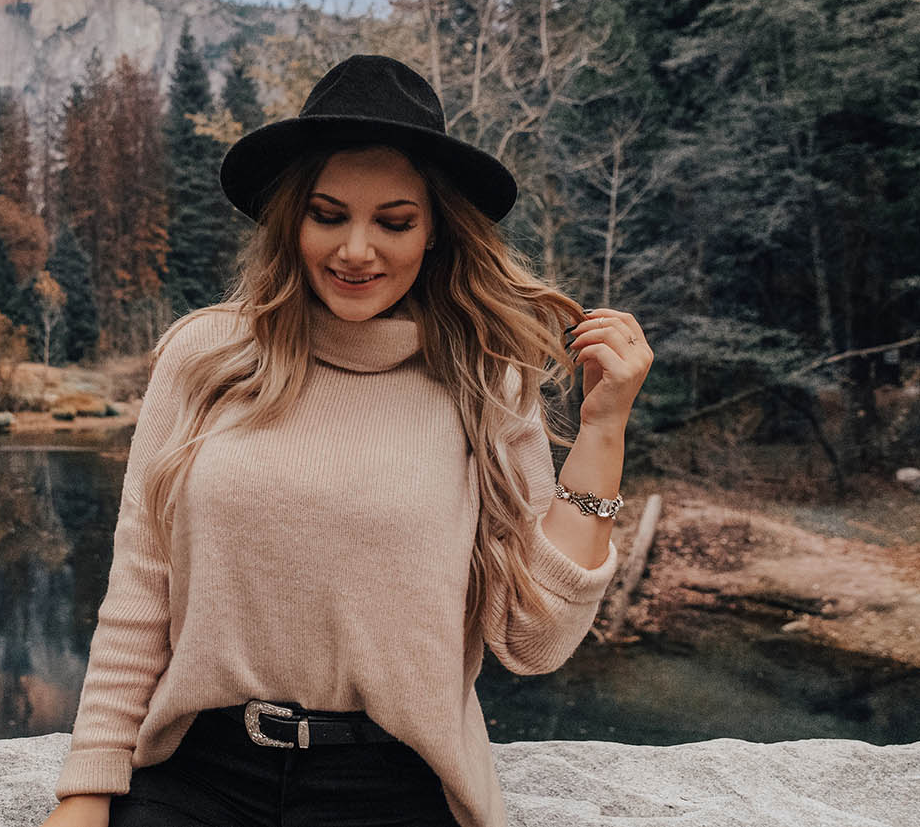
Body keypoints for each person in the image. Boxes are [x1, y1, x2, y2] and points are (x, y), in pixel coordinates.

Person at [40, 54, 653, 827]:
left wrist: (603, 429)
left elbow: (533, 640)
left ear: (434, 232)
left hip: (392, 784)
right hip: (197, 777)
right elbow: (141, 587)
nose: (356, 249)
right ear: (293, 220)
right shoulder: (203, 358)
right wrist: (87, 788)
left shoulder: (486, 382)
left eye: (393, 222)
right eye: (329, 215)